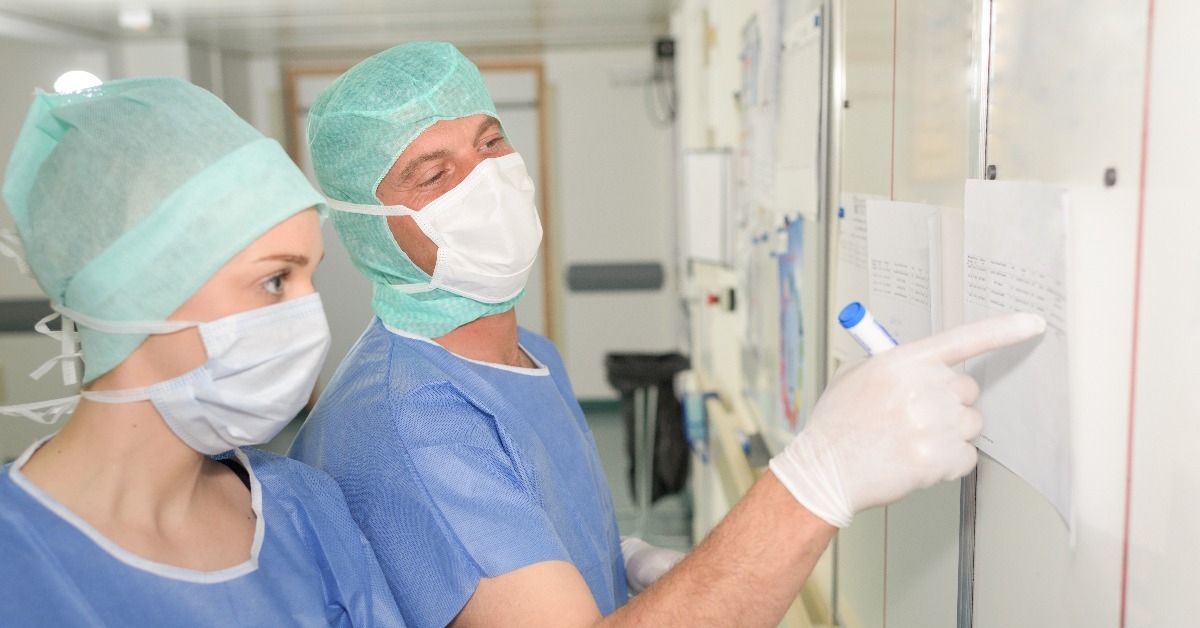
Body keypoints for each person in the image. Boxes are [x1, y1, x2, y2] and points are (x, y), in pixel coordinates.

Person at [289, 41, 1045, 627]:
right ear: (372, 229)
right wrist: (818, 479)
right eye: (434, 174)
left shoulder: (526, 356)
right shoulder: (413, 422)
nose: (485, 179)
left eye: (490, 143)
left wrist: (616, 560)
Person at [0, 76, 405, 626]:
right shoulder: (17, 560)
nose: (310, 318)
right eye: (275, 280)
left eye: (311, 278)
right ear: (136, 291)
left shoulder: (300, 506)